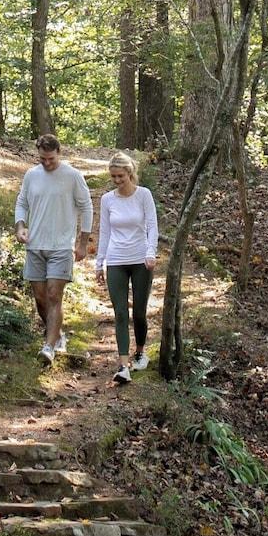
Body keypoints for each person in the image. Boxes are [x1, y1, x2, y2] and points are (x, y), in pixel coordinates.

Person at [14, 133, 92, 364]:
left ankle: (48, 347)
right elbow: (22, 203)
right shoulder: (31, 175)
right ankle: (57, 335)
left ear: (59, 153)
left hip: (61, 246)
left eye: (51, 159)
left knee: (53, 294)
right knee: (40, 298)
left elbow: (86, 208)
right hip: (35, 245)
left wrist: (82, 242)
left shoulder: (72, 176)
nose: (47, 163)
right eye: (42, 159)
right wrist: (20, 227)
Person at [96, 150, 158, 384]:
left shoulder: (144, 195)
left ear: (129, 173)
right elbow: (105, 232)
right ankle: (123, 366)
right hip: (116, 260)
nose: (117, 181)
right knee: (120, 312)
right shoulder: (107, 199)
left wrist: (151, 253)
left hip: (141, 259)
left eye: (120, 176)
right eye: (113, 177)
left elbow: (152, 226)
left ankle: (140, 351)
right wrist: (99, 263)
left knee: (139, 312)